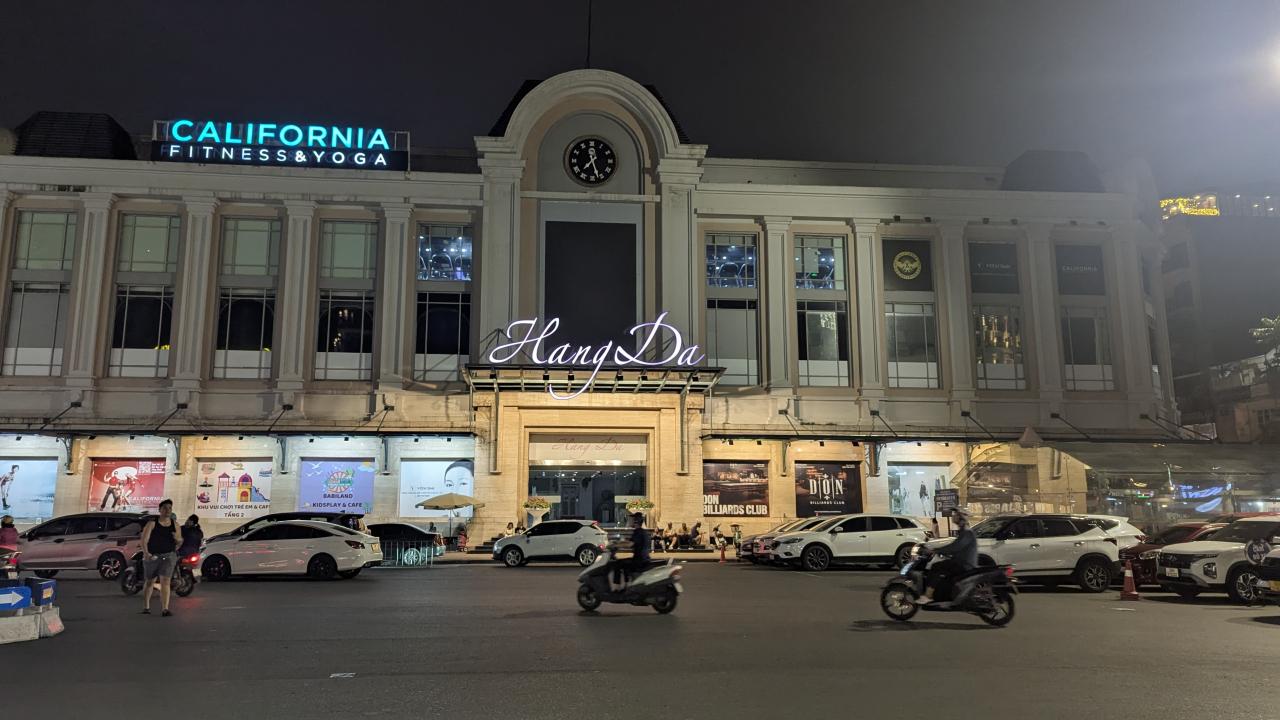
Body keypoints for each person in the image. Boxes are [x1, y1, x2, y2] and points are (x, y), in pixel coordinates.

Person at [920, 507, 977, 605]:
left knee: (936, 567)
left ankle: (928, 596)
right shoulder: (963, 531)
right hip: (961, 562)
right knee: (943, 569)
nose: (953, 516)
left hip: (963, 564)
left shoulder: (967, 532)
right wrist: (943, 552)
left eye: (955, 514)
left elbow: (956, 547)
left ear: (960, 517)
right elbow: (956, 547)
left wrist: (935, 551)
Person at [141, 499, 181, 616]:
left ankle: (165, 609)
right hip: (153, 556)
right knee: (150, 581)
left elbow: (179, 541)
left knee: (166, 581)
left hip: (168, 556)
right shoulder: (152, 524)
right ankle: (146, 607)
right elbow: (144, 540)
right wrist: (146, 553)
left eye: (170, 508)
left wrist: (177, 539)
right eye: (165, 508)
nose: (167, 510)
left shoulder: (175, 525)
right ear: (160, 510)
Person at [611, 512, 651, 588]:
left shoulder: (638, 532)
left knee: (618, 563)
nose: (630, 520)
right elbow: (630, 541)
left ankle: (616, 587)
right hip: (641, 559)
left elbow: (630, 544)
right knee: (625, 563)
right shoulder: (640, 531)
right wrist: (618, 542)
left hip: (639, 561)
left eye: (632, 519)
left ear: (636, 521)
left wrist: (616, 545)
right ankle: (627, 585)